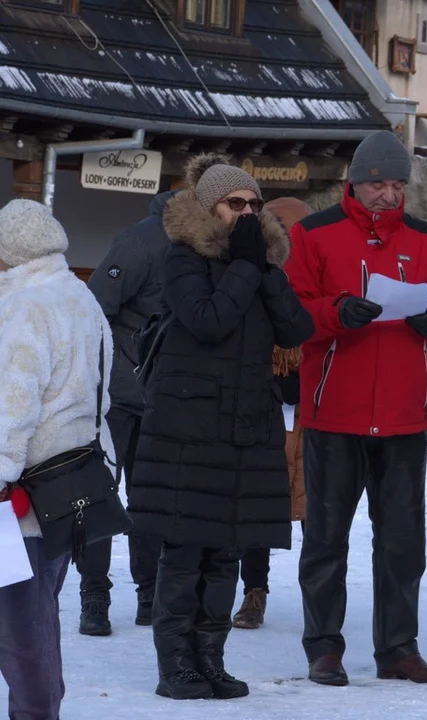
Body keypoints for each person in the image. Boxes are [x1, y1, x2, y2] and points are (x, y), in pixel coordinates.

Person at [285, 130, 427, 687]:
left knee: (401, 542)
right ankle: (324, 647)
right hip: (332, 415)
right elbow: (292, 311)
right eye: (377, 184)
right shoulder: (313, 234)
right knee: (325, 538)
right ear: (354, 182)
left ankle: (397, 648)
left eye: (396, 185)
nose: (387, 195)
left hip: (402, 420)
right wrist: (338, 311)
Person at [127, 159, 314, 700]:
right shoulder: (182, 259)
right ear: (210, 207)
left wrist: (263, 268)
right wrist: (247, 268)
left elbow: (297, 328)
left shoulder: (256, 265)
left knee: (227, 552)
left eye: (254, 205)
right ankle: (175, 665)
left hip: (244, 427)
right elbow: (208, 320)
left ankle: (211, 659)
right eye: (237, 204)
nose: (248, 214)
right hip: (189, 429)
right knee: (185, 552)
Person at [79, 169, 210, 634]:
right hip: (117, 394)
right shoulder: (143, 239)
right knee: (98, 493)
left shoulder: (209, 244)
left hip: (168, 394)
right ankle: (94, 595)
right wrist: (114, 376)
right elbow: (96, 309)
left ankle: (149, 594)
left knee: (151, 500)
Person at [0, 199, 115, 720]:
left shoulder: (24, 307)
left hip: (20, 499)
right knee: (38, 615)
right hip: (71, 486)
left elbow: (12, 409)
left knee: (23, 631)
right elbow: (102, 393)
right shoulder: (80, 297)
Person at [231, 196, 314, 630]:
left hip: (313, 416)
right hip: (266, 413)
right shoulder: (254, 277)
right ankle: (254, 591)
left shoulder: (317, 279)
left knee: (315, 512)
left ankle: (317, 598)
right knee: (259, 508)